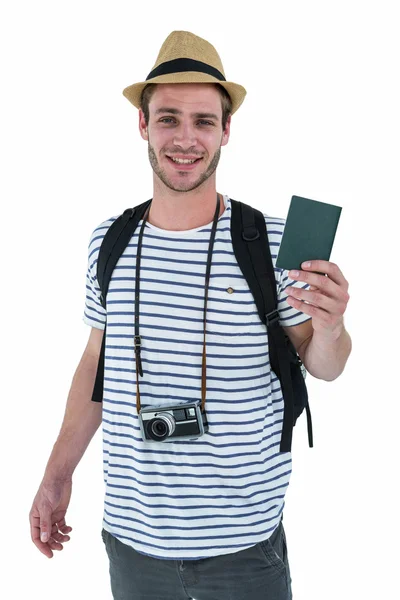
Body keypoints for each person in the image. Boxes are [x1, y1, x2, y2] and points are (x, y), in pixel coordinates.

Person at [29, 30, 352, 600]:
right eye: (168, 118)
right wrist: (56, 475)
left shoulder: (270, 241)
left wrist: (332, 327)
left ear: (227, 131)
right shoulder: (109, 241)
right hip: (131, 547)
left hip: (245, 549)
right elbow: (95, 368)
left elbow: (323, 365)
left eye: (204, 121)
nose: (185, 138)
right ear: (143, 126)